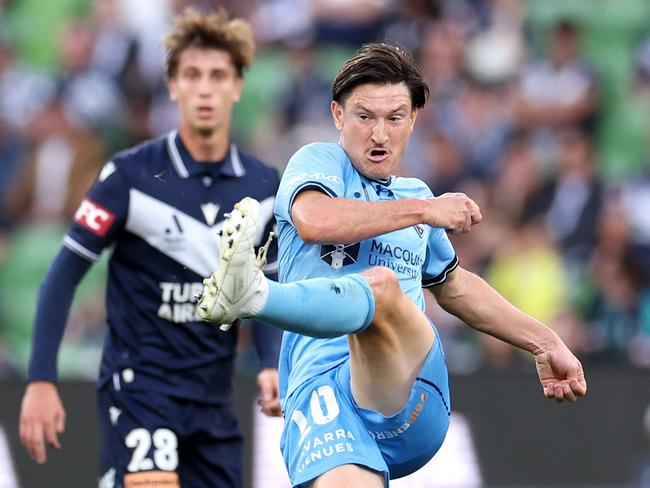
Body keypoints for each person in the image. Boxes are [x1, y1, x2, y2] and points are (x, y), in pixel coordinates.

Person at [197, 43, 587, 487]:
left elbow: (454, 287)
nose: (379, 134)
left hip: (412, 393)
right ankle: (250, 294)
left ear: (414, 119)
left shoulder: (416, 193)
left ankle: (252, 295)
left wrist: (544, 341)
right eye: (364, 117)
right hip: (320, 393)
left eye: (394, 118)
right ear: (338, 116)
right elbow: (314, 220)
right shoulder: (321, 163)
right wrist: (423, 210)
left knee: (382, 289)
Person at [19, 8, 282, 487]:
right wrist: (40, 379)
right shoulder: (130, 176)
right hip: (140, 387)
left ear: (238, 86)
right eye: (192, 75)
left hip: (213, 400)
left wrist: (270, 364)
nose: (205, 88)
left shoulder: (264, 187)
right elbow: (62, 276)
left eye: (218, 75)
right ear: (173, 86)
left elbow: (269, 291)